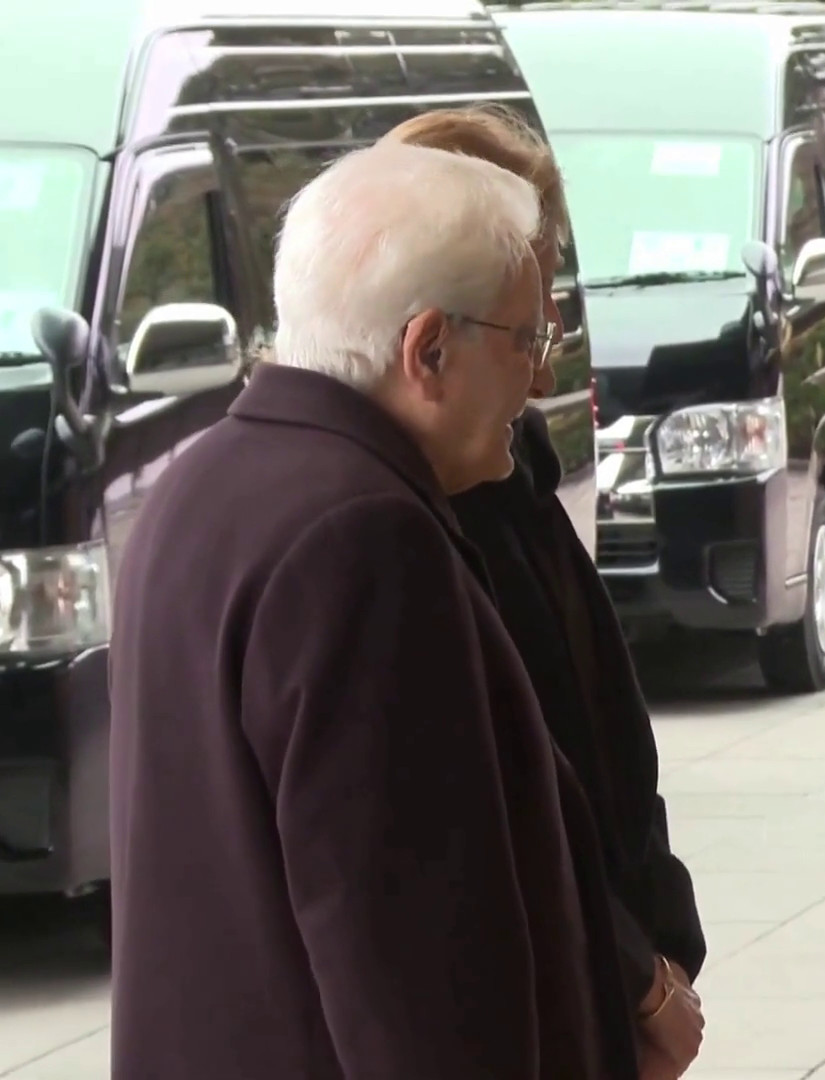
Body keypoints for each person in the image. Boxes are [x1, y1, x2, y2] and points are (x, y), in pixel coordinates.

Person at [108, 142, 621, 1078]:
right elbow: (414, 971)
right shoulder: (366, 541)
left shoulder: (201, 483)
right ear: (428, 350)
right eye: (527, 341)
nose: (541, 380)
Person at [381, 105, 708, 1080]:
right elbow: (508, 805)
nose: (546, 353)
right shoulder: (413, 525)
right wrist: (636, 981)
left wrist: (662, 951)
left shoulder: (511, 471)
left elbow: (605, 735)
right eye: (526, 321)